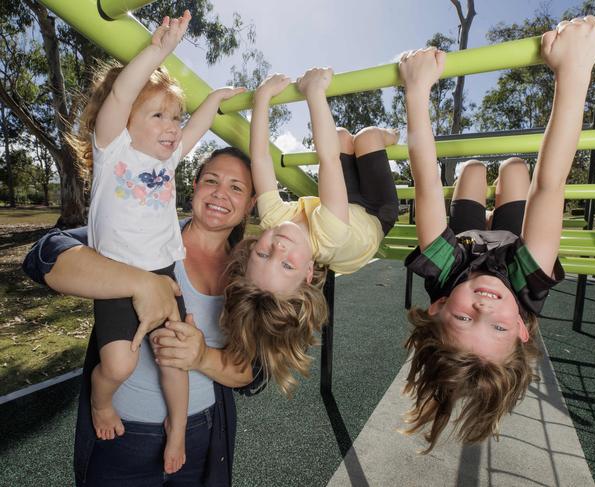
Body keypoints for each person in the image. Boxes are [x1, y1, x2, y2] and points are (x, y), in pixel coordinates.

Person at [398, 16, 595, 451]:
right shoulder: (527, 286)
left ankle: (483, 191)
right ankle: (504, 188)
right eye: (497, 328)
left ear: (438, 306)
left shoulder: (441, 273)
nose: (484, 307)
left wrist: (416, 91)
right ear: (522, 330)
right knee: (516, 168)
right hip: (514, 244)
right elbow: (551, 187)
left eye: (462, 317)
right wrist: (574, 71)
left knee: (472, 169)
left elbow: (424, 184)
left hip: (468, 240)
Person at [65, 10, 245, 473]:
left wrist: (216, 101)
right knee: (120, 365)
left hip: (164, 273)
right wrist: (158, 51)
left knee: (175, 358)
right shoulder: (113, 150)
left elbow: (197, 129)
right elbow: (124, 91)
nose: (172, 126)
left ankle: (177, 429)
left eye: (175, 116)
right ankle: (102, 402)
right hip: (119, 278)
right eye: (159, 115)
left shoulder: (167, 163)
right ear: (126, 120)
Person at [23, 147, 261, 486]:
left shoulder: (250, 273)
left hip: (203, 435)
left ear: (250, 203)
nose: (221, 193)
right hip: (121, 434)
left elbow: (250, 373)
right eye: (212, 180)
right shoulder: (141, 237)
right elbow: (44, 254)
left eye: (237, 187)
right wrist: (140, 282)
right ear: (193, 185)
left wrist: (201, 356)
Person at [218, 69, 400, 396]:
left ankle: (362, 143)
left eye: (263, 254)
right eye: (286, 265)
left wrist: (262, 98)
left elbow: (260, 157)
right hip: (374, 212)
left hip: (343, 204)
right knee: (368, 137)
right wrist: (315, 92)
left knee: (342, 135)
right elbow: (326, 160)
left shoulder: (273, 219)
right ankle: (391, 135)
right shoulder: (325, 236)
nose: (278, 249)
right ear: (306, 272)